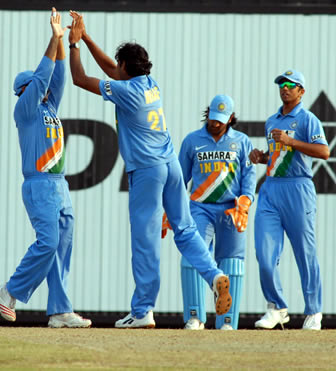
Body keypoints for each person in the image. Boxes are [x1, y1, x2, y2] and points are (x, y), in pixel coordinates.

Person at [67, 11, 231, 328]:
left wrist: (73, 46)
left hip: (148, 171)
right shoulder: (150, 84)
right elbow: (113, 71)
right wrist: (86, 38)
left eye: (120, 65)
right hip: (170, 165)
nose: (117, 69)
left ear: (126, 67)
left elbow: (79, 78)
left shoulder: (127, 92)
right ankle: (215, 275)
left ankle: (142, 311)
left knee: (145, 240)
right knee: (185, 230)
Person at [0, 8, 91, 328]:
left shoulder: (50, 105)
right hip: (39, 183)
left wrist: (63, 41)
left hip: (59, 184)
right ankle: (9, 291)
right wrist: (52, 38)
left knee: (62, 246)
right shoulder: (24, 107)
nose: (48, 89)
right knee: (48, 241)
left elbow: (59, 75)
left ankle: (59, 311)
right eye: (41, 87)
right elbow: (43, 77)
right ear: (26, 90)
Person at [249, 69, 329, 330]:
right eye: (281, 84)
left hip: (298, 189)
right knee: (264, 252)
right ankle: (276, 307)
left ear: (301, 91)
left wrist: (291, 141)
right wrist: (261, 158)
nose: (284, 88)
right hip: (271, 188)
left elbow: (324, 151)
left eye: (291, 85)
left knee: (305, 253)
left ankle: (313, 312)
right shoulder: (271, 120)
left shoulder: (308, 119)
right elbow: (277, 156)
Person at [176, 95, 256, 330]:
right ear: (207, 113)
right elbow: (181, 178)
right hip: (200, 207)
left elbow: (249, 176)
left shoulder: (242, 142)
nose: (215, 123)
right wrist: (171, 209)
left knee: (232, 262)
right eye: (212, 118)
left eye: (221, 120)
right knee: (192, 255)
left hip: (231, 209)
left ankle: (226, 321)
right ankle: (195, 316)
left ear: (231, 118)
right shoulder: (192, 141)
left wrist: (246, 201)